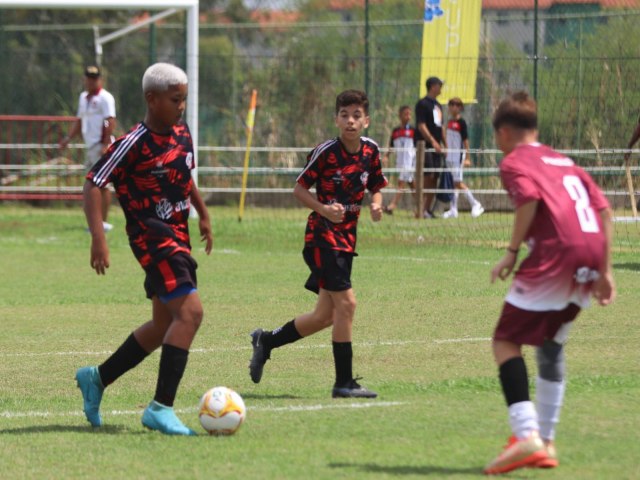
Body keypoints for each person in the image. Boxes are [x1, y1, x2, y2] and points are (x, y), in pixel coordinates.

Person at [75, 63, 213, 436]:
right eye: (175, 99)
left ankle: (97, 378)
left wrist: (202, 214)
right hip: (152, 239)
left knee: (163, 324)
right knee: (191, 313)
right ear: (152, 100)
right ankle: (160, 407)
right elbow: (93, 183)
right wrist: (98, 237)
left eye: (184, 98)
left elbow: (185, 175)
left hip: (178, 235)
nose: (181, 106)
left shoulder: (183, 133)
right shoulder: (132, 143)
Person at [484, 91, 615, 475]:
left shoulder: (513, 161)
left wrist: (511, 251)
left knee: (505, 341)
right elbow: (605, 211)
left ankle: (527, 435)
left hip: (557, 254)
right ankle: (548, 440)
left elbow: (528, 201)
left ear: (504, 133)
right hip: (591, 253)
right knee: (551, 344)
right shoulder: (564, 161)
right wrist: (606, 270)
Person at [248, 89, 387, 398]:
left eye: (356, 116)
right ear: (336, 118)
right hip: (322, 237)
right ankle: (344, 383)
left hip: (346, 241)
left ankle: (266, 341)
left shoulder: (371, 152)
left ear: (366, 120)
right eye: (344, 115)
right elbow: (299, 189)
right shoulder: (326, 152)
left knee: (325, 316)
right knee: (347, 305)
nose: (350, 121)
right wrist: (323, 208)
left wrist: (376, 205)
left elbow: (376, 186)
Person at [59, 65, 117, 232]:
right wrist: (68, 139)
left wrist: (106, 143)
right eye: (89, 78)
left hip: (100, 145)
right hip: (90, 145)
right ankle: (96, 221)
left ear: (100, 80)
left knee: (102, 184)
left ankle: (102, 223)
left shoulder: (106, 98)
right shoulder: (83, 97)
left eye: (95, 78)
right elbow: (80, 121)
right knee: (92, 183)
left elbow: (109, 120)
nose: (91, 81)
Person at [441, 97, 484, 219]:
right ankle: (453, 209)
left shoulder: (462, 123)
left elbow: (466, 141)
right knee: (454, 183)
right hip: (449, 156)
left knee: (458, 182)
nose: (453, 107)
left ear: (460, 107)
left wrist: (468, 157)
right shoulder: (448, 122)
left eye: (456, 104)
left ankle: (476, 204)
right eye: (451, 104)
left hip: (458, 156)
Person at [415, 76, 445, 218]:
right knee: (427, 176)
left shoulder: (438, 105)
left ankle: (426, 210)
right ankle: (419, 208)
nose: (441, 87)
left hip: (437, 148)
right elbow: (421, 126)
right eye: (439, 85)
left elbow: (441, 127)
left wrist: (445, 145)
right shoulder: (422, 104)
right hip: (425, 146)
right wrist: (432, 142)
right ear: (433, 86)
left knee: (435, 178)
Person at [383, 105, 415, 214]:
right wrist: (387, 156)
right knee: (412, 185)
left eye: (410, 114)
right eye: (406, 114)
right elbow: (392, 146)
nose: (408, 117)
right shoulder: (395, 131)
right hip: (400, 162)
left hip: (410, 163)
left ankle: (392, 206)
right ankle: (421, 208)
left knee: (401, 183)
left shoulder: (413, 130)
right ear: (400, 115)